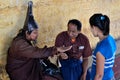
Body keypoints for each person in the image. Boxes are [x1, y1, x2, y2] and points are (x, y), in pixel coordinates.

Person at [5, 1, 71, 80]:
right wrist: (56, 49)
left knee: (55, 74)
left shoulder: (25, 40)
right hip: (21, 73)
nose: (37, 35)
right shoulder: (19, 44)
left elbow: (35, 53)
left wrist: (49, 55)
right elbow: (36, 52)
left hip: (29, 69)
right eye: (35, 33)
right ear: (27, 32)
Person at [89, 13, 117, 80]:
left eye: (91, 27)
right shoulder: (110, 39)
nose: (90, 30)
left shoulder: (101, 50)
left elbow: (99, 76)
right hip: (110, 75)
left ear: (95, 28)